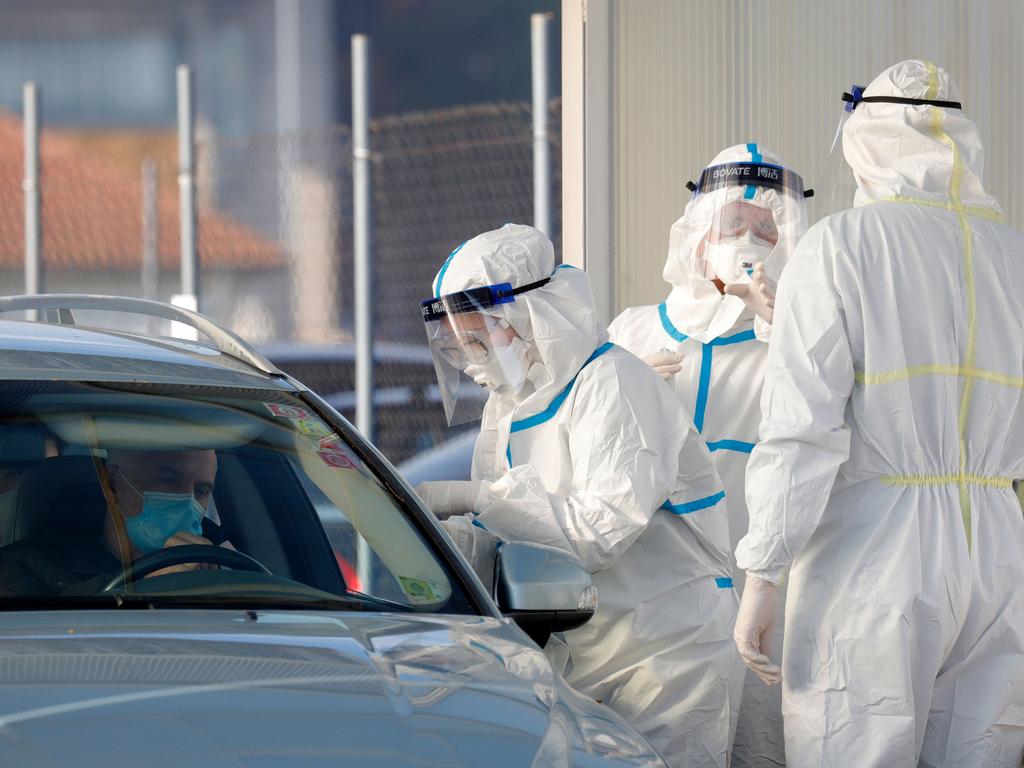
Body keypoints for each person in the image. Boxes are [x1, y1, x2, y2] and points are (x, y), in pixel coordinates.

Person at [733, 60, 1024, 767]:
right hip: (998, 550)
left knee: (855, 743)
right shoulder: (1014, 257)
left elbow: (802, 432)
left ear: (865, 142)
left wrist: (763, 573)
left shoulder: (839, 247)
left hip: (876, 557)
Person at [415, 223, 743, 767]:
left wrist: (474, 496)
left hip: (666, 656)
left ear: (532, 316)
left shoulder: (613, 383)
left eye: (479, 338)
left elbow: (599, 531)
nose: (470, 359)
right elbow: (499, 540)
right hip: (585, 656)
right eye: (458, 344)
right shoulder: (510, 406)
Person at [608, 143, 809, 767]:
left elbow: (824, 419)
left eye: (766, 228)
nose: (748, 240)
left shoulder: (802, 341)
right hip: (650, 600)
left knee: (761, 740)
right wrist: (623, 385)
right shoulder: (631, 332)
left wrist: (782, 321)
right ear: (699, 238)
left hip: (763, 586)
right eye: (732, 226)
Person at [0, 448, 219, 595]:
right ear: (112, 484)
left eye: (201, 490)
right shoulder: (21, 564)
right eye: (168, 481)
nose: (188, 501)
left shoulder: (223, 563)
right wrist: (150, 585)